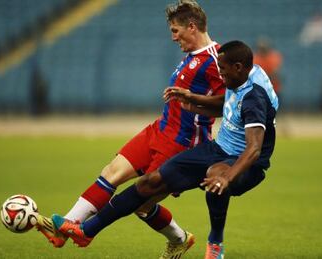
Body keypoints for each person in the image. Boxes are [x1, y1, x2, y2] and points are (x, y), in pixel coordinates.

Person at [50, 40, 279, 259]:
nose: (220, 74)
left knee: (215, 176)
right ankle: (86, 231)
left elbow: (254, 148)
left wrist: (228, 176)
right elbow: (228, 103)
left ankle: (215, 242)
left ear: (238, 68)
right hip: (218, 149)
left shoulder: (254, 97)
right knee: (150, 182)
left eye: (223, 69)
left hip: (247, 164)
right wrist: (194, 99)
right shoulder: (242, 76)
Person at [35, 1, 225, 258]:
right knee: (111, 172)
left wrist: (190, 99)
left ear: (192, 27)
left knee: (142, 204)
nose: (173, 37)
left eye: (175, 31)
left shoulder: (216, 59)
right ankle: (66, 227)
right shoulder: (190, 57)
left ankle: (179, 239)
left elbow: (226, 104)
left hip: (182, 142)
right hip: (159, 130)